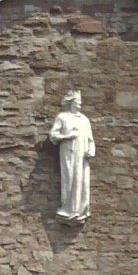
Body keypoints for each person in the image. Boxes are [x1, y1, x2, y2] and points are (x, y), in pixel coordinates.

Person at [49, 89, 95, 223]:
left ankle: (80, 210)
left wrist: (90, 151)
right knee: (69, 178)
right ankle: (68, 209)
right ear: (71, 102)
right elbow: (53, 135)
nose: (79, 104)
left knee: (81, 181)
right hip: (68, 154)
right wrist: (67, 136)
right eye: (77, 102)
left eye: (80, 102)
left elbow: (90, 139)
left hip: (81, 156)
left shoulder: (84, 120)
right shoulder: (62, 117)